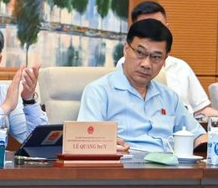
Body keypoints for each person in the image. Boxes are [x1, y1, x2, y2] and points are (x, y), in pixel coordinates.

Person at [79, 18, 206, 153]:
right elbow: (87, 141)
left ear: (164, 60)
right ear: (126, 49)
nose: (146, 64)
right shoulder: (99, 92)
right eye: (140, 53)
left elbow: (199, 135)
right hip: (125, 166)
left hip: (170, 168)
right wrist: (107, 145)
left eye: (156, 57)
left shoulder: (169, 97)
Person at [116, 1, 218, 118]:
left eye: (158, 26)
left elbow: (201, 110)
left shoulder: (181, 66)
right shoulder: (127, 66)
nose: (153, 32)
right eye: (146, 27)